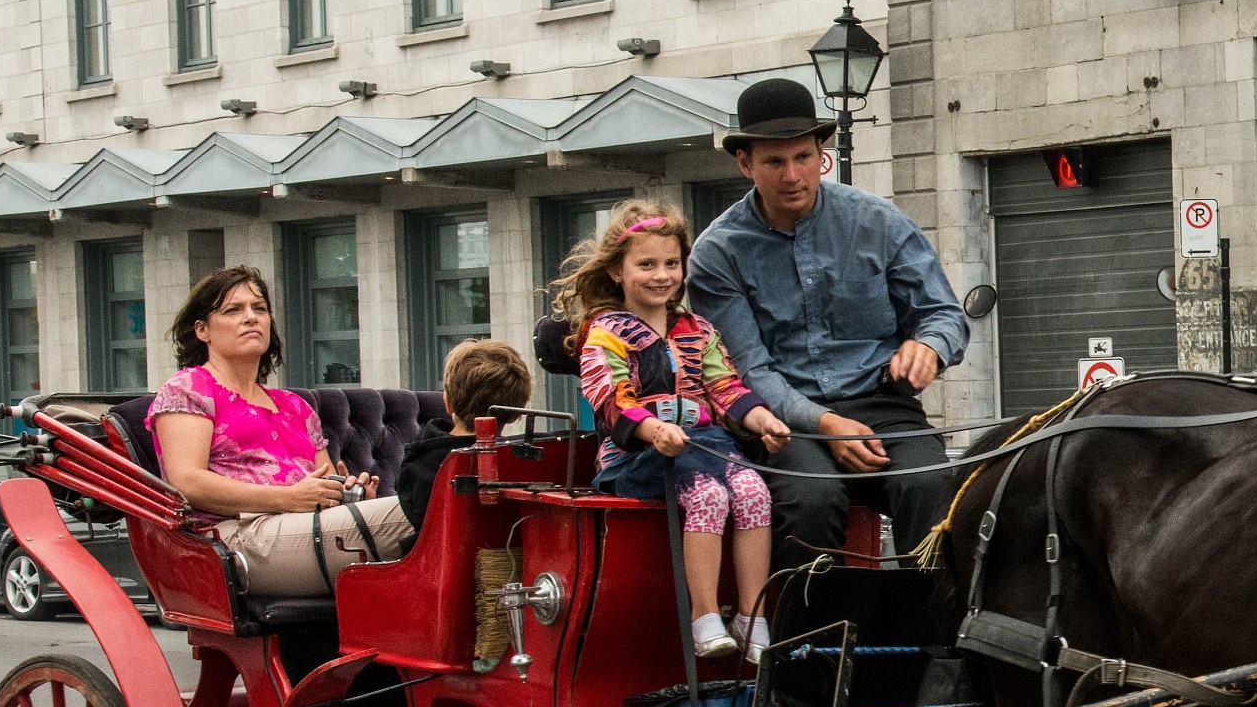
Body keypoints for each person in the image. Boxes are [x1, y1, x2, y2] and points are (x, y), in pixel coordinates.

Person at [688, 77, 967, 559]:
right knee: (811, 500)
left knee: (933, 485)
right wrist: (824, 423)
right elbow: (748, 369)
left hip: (883, 404)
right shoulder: (717, 253)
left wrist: (930, 346)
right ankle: (807, 632)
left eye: (803, 158)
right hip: (782, 420)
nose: (792, 175)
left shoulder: (879, 221)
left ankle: (930, 627)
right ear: (745, 162)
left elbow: (943, 314)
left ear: (823, 154)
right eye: (774, 162)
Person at [557, 200, 794, 660]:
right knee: (710, 495)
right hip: (638, 456)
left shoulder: (697, 329)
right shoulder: (605, 332)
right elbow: (609, 400)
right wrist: (652, 431)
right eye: (645, 264)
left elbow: (724, 385)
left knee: (753, 491)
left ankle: (751, 616)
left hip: (705, 443)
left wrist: (762, 419)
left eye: (671, 263)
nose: (661, 275)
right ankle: (704, 616)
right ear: (616, 272)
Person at [150, 266, 410, 595]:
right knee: (421, 512)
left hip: (305, 532)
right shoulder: (189, 389)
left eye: (259, 308)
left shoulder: (294, 406)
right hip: (235, 539)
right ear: (202, 330)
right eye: (233, 310)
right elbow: (187, 483)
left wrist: (351, 499)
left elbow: (323, 486)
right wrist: (287, 498)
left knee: (431, 516)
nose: (251, 317)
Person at [393, 338, 534, 532]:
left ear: (447, 401)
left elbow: (416, 517)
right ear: (515, 413)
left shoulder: (423, 463)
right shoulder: (528, 457)